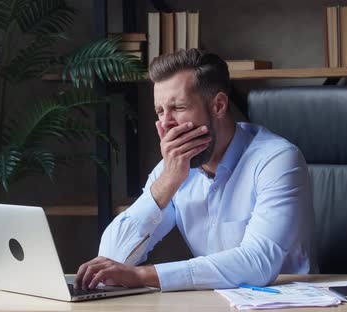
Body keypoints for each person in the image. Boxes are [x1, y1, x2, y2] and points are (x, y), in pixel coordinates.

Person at [74, 49, 314, 292]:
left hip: (286, 301)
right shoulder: (173, 167)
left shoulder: (276, 160)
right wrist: (165, 184)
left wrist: (143, 275)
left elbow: (258, 263)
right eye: (159, 111)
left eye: (178, 108)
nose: (165, 123)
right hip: (213, 302)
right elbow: (111, 258)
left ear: (218, 105)